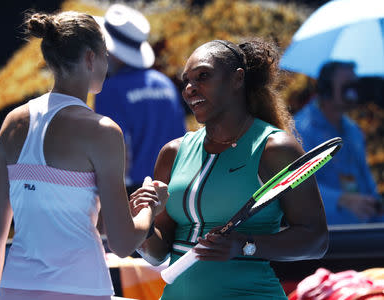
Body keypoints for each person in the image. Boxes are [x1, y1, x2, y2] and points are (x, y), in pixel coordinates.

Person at [0, 11, 168, 300]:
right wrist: (149, 209)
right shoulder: (103, 131)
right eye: (105, 55)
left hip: (14, 289)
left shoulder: (12, 122)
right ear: (91, 58)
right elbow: (121, 242)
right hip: (82, 289)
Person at [130, 39, 329, 299]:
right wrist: (142, 223)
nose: (190, 89)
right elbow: (157, 254)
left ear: (237, 79)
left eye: (203, 76)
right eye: (186, 81)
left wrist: (244, 245)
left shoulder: (275, 148)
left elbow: (316, 240)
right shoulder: (172, 153)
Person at [94, 4, 186, 194]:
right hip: (172, 189)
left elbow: (115, 151)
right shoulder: (164, 84)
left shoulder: (109, 89)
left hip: (131, 193)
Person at [294, 61, 383, 225]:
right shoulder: (302, 130)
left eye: (355, 85)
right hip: (325, 238)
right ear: (327, 90)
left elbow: (367, 183)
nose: (353, 92)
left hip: (361, 233)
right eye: (347, 86)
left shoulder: (354, 131)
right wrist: (341, 200)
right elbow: (296, 187)